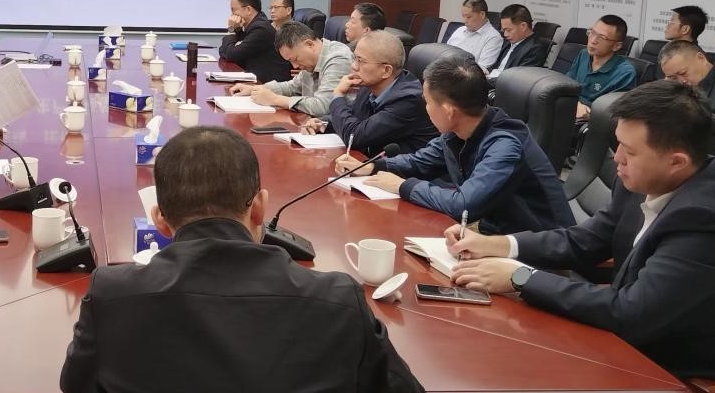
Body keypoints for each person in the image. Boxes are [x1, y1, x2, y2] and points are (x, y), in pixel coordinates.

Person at [59, 126, 427, 393]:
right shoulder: (338, 299)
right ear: (260, 208)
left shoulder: (113, 294)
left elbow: (81, 392)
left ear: (160, 221)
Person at [448, 82, 715, 393]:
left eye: (630, 151)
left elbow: (630, 313)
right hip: (629, 345)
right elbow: (583, 242)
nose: (617, 158)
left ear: (676, 161)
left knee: (507, 391)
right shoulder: (643, 182)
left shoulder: (706, 222)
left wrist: (521, 277)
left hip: (689, 385)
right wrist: (498, 245)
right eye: (618, 144)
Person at [334, 57, 574, 234]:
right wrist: (374, 167)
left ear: (449, 111)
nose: (425, 109)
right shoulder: (460, 129)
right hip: (494, 229)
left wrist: (403, 186)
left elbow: (463, 205)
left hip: (538, 249)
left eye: (427, 102)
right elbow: (420, 161)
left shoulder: (505, 145)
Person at [306, 30, 436, 154]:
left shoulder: (407, 100)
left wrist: (338, 95)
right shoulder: (369, 86)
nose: (353, 66)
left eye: (360, 60)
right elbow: (355, 116)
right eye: (354, 58)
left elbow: (354, 137)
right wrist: (323, 123)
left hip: (397, 168)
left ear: (386, 71)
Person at [228, 20, 352, 116]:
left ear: (309, 44)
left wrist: (275, 99)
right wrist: (255, 89)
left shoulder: (338, 59)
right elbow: (292, 87)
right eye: (290, 61)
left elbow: (324, 106)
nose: (295, 66)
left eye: (295, 59)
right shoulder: (310, 61)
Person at [566, 15, 637, 121]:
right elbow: (567, 85)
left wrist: (588, 116)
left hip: (591, 123)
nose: (593, 40)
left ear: (617, 46)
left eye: (602, 37)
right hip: (569, 109)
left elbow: (615, 116)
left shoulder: (625, 72)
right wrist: (576, 104)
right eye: (592, 32)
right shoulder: (584, 54)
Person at [219, 0, 290, 83]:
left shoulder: (261, 29)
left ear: (248, 9)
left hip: (269, 85)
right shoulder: (254, 25)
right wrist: (236, 31)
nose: (231, 15)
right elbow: (225, 51)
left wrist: (231, 30)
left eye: (233, 10)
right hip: (256, 80)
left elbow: (230, 54)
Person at [489, 3, 546, 79]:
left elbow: (516, 79)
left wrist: (486, 81)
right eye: (504, 30)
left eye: (509, 30)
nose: (505, 34)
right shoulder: (508, 41)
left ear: (523, 26)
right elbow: (495, 65)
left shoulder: (535, 49)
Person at [445, 0, 503, 70]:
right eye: (463, 16)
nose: (464, 21)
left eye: (468, 17)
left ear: (482, 14)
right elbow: (444, 52)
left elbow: (481, 69)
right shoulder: (460, 30)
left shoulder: (493, 38)